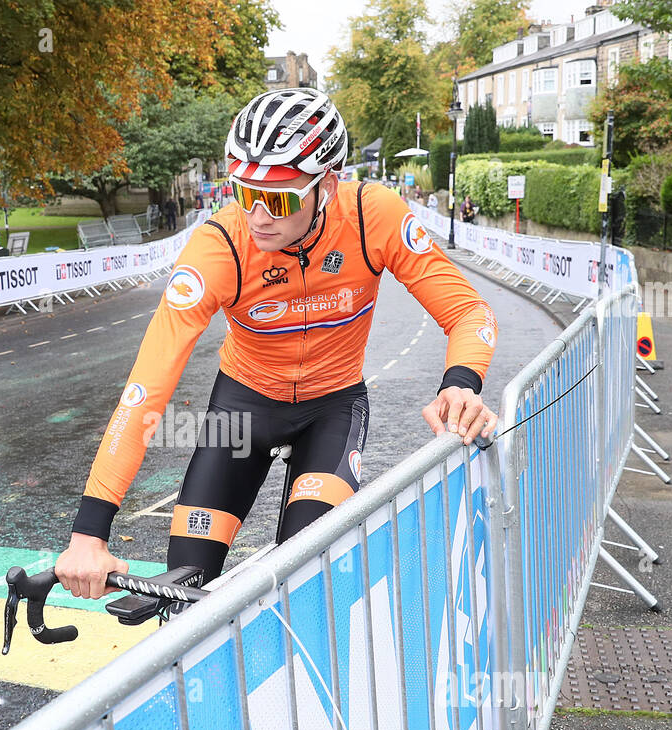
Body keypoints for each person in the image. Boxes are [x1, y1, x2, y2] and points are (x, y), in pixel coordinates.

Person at [56, 87, 499, 600]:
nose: (257, 215)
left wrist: (462, 382)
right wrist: (89, 532)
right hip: (243, 409)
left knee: (304, 575)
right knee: (186, 586)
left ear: (326, 186)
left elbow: (469, 311)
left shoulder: (371, 214)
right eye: (243, 192)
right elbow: (146, 388)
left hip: (331, 410)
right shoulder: (220, 246)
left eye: (279, 198)